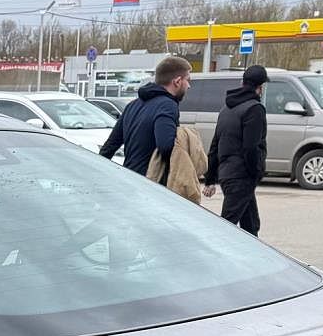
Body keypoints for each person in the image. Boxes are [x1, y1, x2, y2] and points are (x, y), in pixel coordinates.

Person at [99, 55, 193, 177]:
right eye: (188, 80)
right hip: (151, 181)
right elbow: (166, 147)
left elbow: (110, 146)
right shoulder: (167, 105)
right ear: (177, 81)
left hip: (129, 177)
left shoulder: (132, 105)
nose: (189, 86)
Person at [204, 65, 269, 234]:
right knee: (227, 226)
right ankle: (214, 250)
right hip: (242, 176)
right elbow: (251, 147)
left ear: (242, 83)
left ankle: (253, 251)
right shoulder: (254, 109)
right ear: (260, 88)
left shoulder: (226, 109)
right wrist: (256, 171)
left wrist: (210, 178)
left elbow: (215, 145)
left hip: (228, 173)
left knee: (251, 224)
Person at [145, 111, 211, 204]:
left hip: (137, 175)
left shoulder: (133, 107)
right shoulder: (167, 108)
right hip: (162, 183)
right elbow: (165, 146)